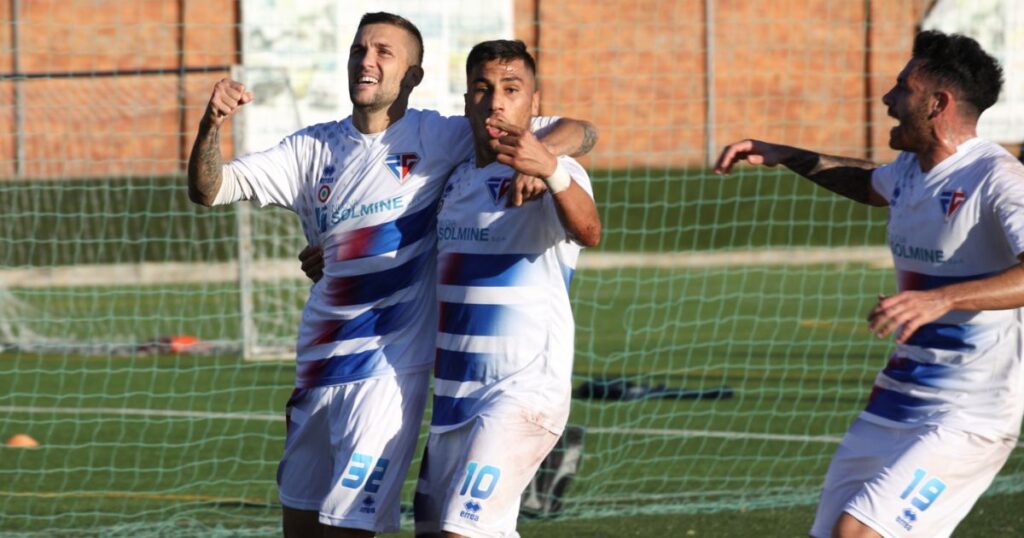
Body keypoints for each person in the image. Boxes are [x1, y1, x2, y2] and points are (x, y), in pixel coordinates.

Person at [187, 12, 595, 538]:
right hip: (321, 369)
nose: (368, 60)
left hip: (389, 376)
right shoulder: (313, 149)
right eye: (360, 49)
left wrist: (546, 163)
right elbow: (209, 189)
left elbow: (581, 131)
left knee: (368, 528)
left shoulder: (440, 136)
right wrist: (210, 125)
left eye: (384, 52)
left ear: (413, 75)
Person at [715, 30, 1024, 538]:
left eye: (903, 88)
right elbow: (867, 183)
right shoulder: (909, 171)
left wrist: (940, 299)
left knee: (858, 532)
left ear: (938, 103)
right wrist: (785, 154)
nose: (887, 98)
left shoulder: (997, 178)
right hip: (895, 402)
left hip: (970, 414)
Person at [410, 39, 600, 538]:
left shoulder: (556, 169)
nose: (496, 102)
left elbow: (589, 231)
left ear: (534, 103)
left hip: (522, 392)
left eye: (511, 89)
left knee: (461, 531)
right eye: (483, 88)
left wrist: (551, 169)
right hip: (454, 398)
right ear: (467, 101)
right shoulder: (453, 179)